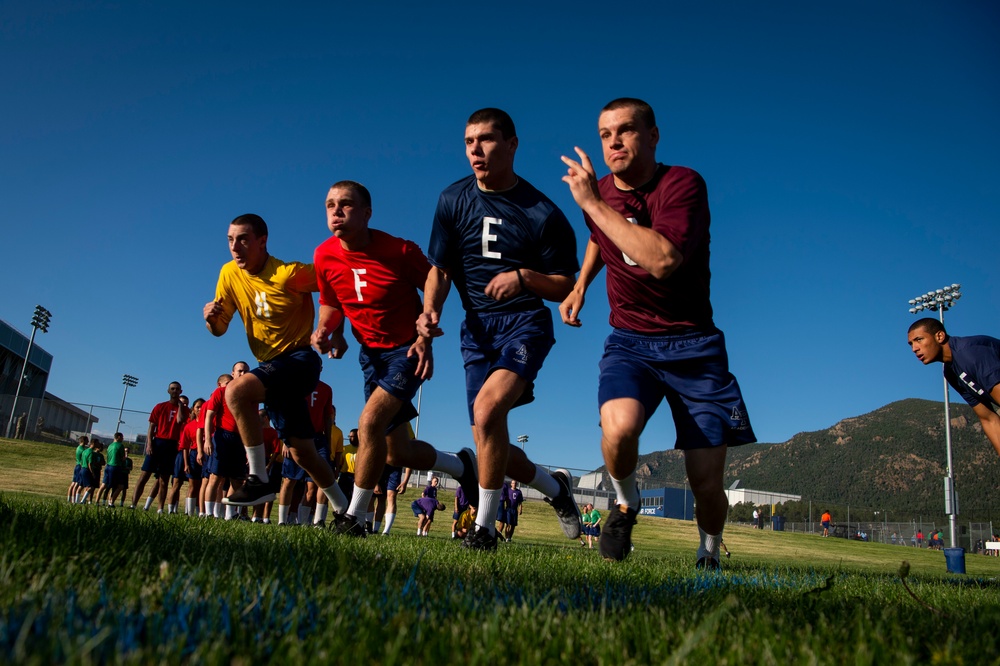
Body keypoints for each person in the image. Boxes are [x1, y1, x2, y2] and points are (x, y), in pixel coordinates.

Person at [559, 97, 756, 568]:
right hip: (631, 342)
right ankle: (626, 505)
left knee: (706, 483)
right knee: (619, 429)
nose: (613, 142)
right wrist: (582, 284)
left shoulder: (683, 183)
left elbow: (664, 260)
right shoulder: (600, 192)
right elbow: (597, 234)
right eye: (605, 134)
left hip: (695, 346)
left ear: (653, 136)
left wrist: (591, 202)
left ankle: (708, 552)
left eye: (625, 130)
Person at [417, 108, 583, 551]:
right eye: (469, 141)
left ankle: (484, 530)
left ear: (512, 144)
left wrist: (525, 277)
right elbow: (441, 270)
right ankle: (556, 488)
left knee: (488, 414)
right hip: (476, 332)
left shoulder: (542, 212)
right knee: (490, 439)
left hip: (525, 325)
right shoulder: (452, 200)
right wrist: (429, 311)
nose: (476, 149)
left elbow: (566, 284)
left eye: (487, 139)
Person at [311, 180, 481, 538]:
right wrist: (329, 329)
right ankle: (461, 464)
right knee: (395, 453)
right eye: (330, 205)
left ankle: (353, 516)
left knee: (369, 423)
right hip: (369, 355)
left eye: (346, 204)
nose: (336, 211)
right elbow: (331, 302)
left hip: (407, 351)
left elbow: (439, 276)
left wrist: (426, 328)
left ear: (367, 213)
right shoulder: (323, 255)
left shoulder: (399, 250)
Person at [204, 213, 349, 517]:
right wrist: (211, 318)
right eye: (230, 240)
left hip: (299, 360)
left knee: (237, 392)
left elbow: (334, 282)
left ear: (262, 242)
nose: (235, 247)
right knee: (302, 453)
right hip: (270, 367)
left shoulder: (288, 273)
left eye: (243, 239)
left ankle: (258, 479)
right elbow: (219, 329)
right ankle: (345, 512)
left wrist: (337, 331)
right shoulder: (228, 274)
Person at [908, 319, 1000, 457]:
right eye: (911, 344)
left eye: (919, 339)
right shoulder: (950, 373)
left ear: (940, 336)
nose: (914, 348)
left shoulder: (970, 354)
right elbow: (988, 419)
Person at [132, 382, 188, 512]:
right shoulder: (160, 406)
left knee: (164, 478)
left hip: (172, 444)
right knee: (144, 475)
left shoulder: (184, 409)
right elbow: (152, 427)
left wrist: (180, 405)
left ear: (181, 391)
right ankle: (133, 504)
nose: (175, 391)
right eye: (172, 389)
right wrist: (149, 444)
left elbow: (180, 421)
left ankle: (160, 508)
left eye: (177, 389)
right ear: (168, 391)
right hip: (158, 442)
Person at [68, 435, 89, 503]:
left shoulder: (78, 448)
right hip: (80, 466)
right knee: (77, 484)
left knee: (73, 483)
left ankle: (69, 499)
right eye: (87, 440)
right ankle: (74, 500)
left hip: (77, 465)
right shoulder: (82, 449)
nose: (88, 442)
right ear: (83, 441)